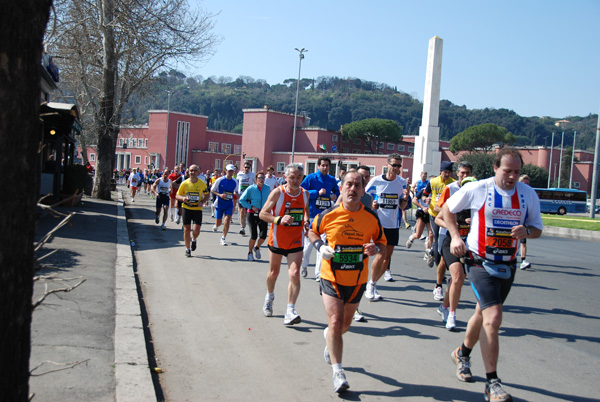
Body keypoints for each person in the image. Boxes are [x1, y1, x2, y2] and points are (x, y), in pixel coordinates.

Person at [444, 148, 543, 402]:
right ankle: (492, 383)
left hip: (507, 266)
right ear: (495, 168)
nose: (512, 177)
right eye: (507, 171)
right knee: (494, 316)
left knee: (482, 313)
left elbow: (537, 229)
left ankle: (462, 354)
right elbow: (446, 210)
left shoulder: (527, 194)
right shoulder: (479, 188)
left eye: (517, 172)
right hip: (479, 263)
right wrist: (456, 237)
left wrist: (526, 232)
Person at [308, 170, 386, 393]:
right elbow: (312, 232)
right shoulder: (329, 214)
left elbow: (382, 241)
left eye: (357, 185)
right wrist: (320, 247)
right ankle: (338, 372)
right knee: (335, 321)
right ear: (341, 188)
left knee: (345, 325)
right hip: (331, 277)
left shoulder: (371, 217)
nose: (353, 189)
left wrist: (375, 248)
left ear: (363, 190)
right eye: (349, 185)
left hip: (357, 278)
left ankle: (330, 341)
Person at [259, 163, 310, 325]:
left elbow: (306, 209)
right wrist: (279, 219)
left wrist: (307, 221)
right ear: (285, 177)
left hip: (296, 239)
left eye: (298, 177)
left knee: (294, 274)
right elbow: (262, 214)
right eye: (292, 177)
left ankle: (290, 309)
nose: (295, 180)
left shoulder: (305, 194)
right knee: (273, 273)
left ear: (302, 178)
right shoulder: (277, 192)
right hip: (278, 239)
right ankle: (269, 296)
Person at [433, 161, 474, 331]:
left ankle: (443, 306)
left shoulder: (479, 197)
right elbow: (437, 215)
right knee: (456, 276)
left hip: (470, 243)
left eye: (468, 174)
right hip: (451, 240)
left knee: (458, 279)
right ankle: (452, 314)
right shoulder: (451, 192)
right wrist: (453, 226)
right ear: (458, 174)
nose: (464, 176)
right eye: (462, 173)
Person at [364, 153, 409, 298]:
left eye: (398, 166)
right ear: (387, 164)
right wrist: (372, 205)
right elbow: (365, 199)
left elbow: (402, 206)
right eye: (393, 165)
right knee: (381, 254)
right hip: (378, 224)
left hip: (393, 224)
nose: (396, 168)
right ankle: (370, 284)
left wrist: (406, 198)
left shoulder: (402, 182)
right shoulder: (376, 181)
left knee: (386, 258)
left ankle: (373, 283)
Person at [300, 156, 340, 279]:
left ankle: (318, 273)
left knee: (321, 245)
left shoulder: (332, 180)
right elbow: (301, 192)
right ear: (318, 166)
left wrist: (334, 196)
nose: (325, 167)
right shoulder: (311, 178)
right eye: (322, 165)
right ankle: (304, 265)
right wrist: (316, 193)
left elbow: (338, 194)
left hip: (326, 218)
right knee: (308, 245)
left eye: (327, 165)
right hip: (312, 216)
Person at [423, 161, 455, 298]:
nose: (446, 174)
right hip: (435, 215)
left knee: (444, 244)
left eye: (448, 172)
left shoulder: (453, 184)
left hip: (450, 216)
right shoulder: (433, 182)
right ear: (440, 171)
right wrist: (425, 199)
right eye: (444, 172)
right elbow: (422, 194)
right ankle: (438, 267)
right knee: (437, 241)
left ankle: (435, 256)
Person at [176, 165, 209, 257]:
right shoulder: (184, 183)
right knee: (186, 230)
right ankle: (187, 249)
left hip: (197, 209)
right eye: (191, 171)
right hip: (186, 208)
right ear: (188, 172)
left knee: (196, 229)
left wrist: (202, 201)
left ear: (198, 173)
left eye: (194, 171)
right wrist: (183, 198)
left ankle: (194, 239)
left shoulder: (202, 183)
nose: (192, 172)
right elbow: (177, 195)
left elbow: (207, 195)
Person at [239, 171, 271, 261]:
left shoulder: (267, 188)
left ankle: (257, 247)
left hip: (263, 214)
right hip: (252, 213)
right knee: (254, 235)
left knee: (263, 235)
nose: (261, 180)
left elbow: (270, 200)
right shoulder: (250, 189)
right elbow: (242, 200)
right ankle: (250, 252)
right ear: (256, 179)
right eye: (259, 178)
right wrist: (251, 207)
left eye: (263, 178)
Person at [211, 165, 238, 246]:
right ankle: (216, 225)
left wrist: (236, 195)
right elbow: (212, 190)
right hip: (220, 203)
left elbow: (236, 191)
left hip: (229, 204)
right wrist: (220, 195)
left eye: (232, 171)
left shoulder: (235, 182)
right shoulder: (220, 180)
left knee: (227, 221)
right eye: (229, 171)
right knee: (219, 223)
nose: (230, 173)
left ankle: (223, 237)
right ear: (225, 171)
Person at [236, 162, 255, 235]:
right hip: (241, 195)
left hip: (249, 196)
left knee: (246, 212)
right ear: (243, 168)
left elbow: (255, 183)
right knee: (241, 211)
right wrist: (236, 192)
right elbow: (237, 183)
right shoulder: (239, 174)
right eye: (245, 167)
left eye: (248, 168)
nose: (247, 169)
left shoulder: (252, 175)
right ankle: (242, 228)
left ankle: (244, 222)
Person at [518, 174, 532, 270]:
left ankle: (523, 260)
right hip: (513, 220)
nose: (525, 184)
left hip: (523, 221)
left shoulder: (529, 194)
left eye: (527, 183)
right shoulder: (515, 192)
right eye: (524, 183)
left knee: (523, 242)